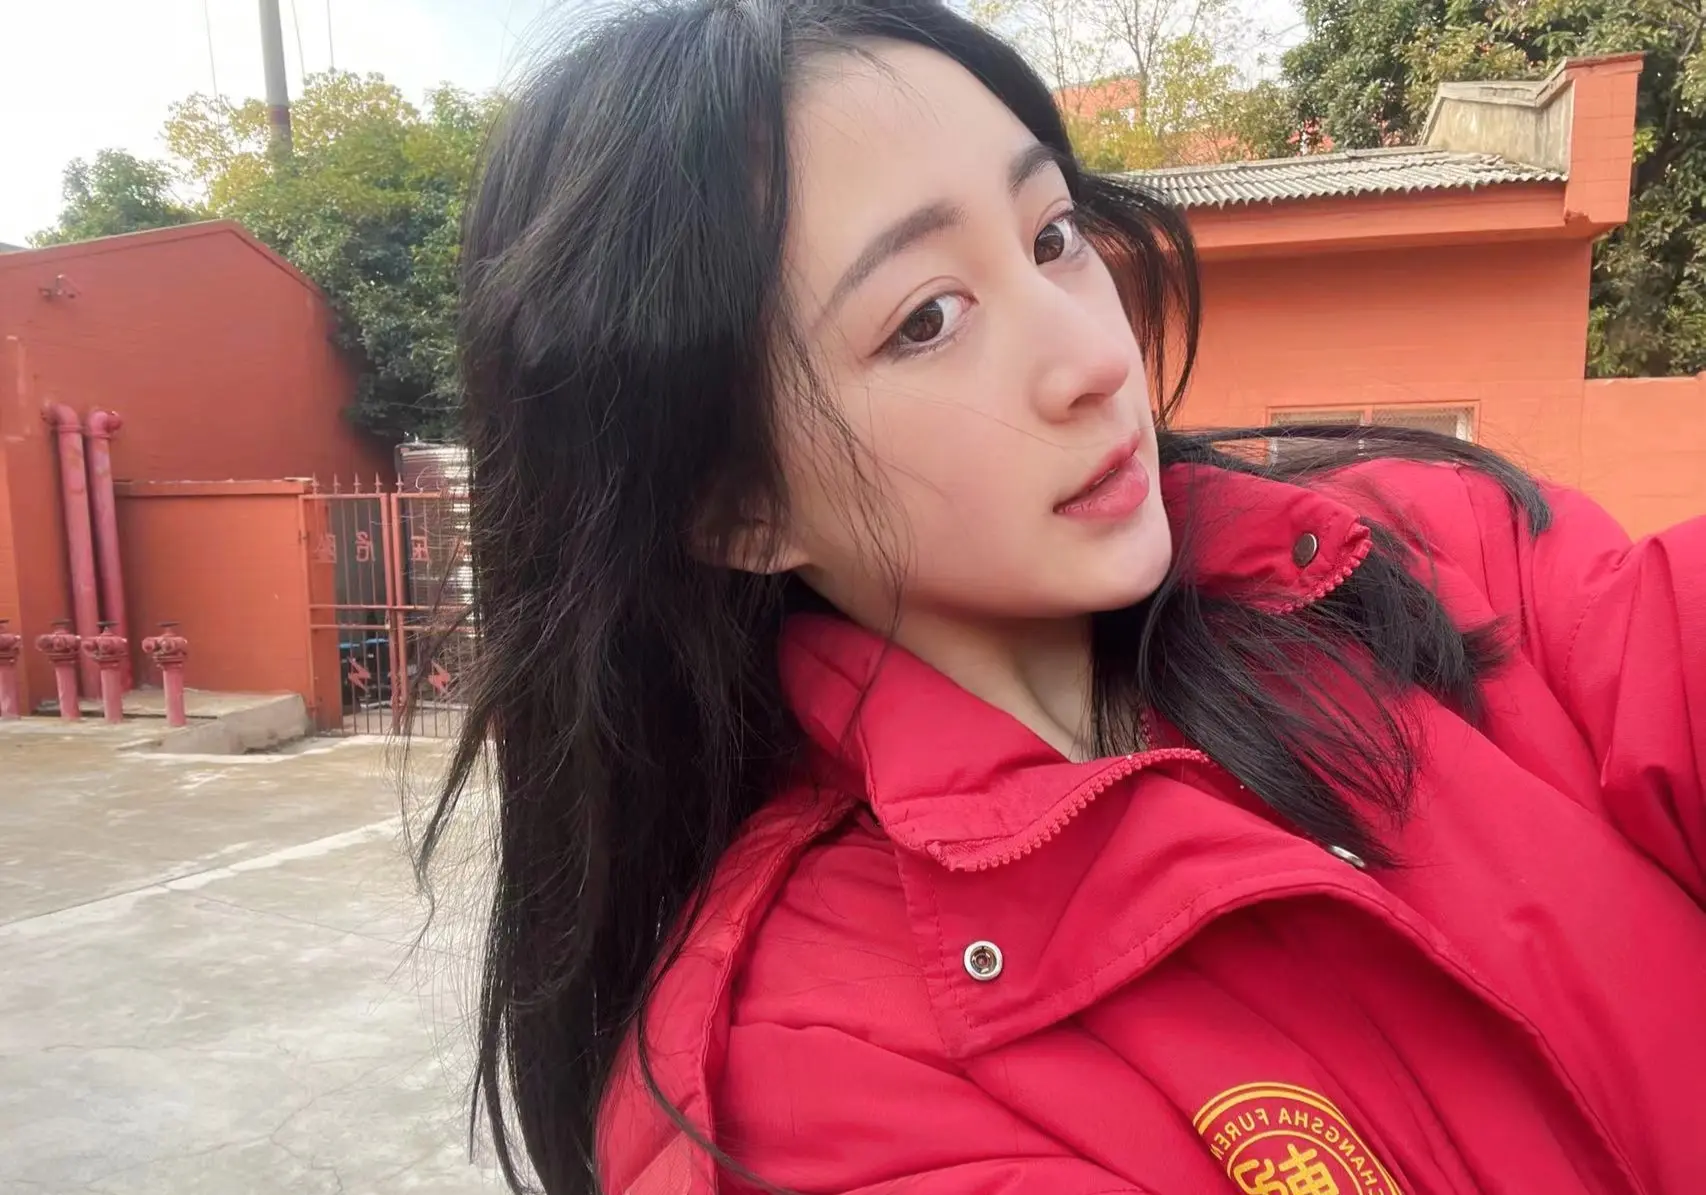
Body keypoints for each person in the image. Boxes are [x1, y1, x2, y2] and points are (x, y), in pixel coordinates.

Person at [418, 0, 1706, 1191]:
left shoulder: (1416, 551)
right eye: (927, 319)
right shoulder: (816, 1082)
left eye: (1052, 237)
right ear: (738, 509)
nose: (1095, 356)